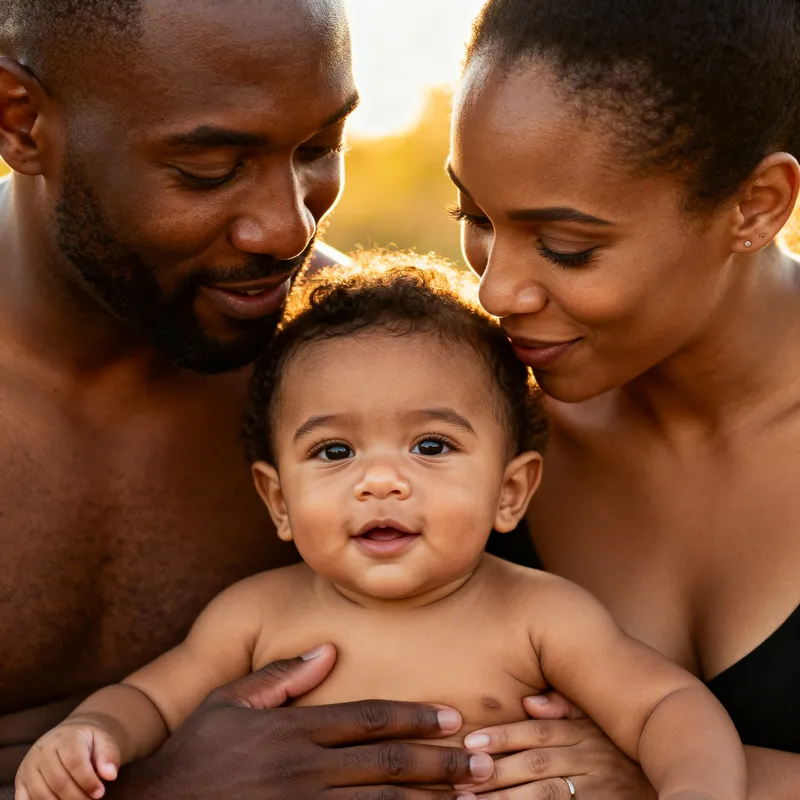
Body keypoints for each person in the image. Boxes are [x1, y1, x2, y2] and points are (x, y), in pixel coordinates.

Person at [16, 258, 747, 800]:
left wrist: (692, 789)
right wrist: (90, 737)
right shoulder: (255, 617)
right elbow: (146, 701)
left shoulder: (539, 617)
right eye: (335, 452)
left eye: (431, 445)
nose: (381, 481)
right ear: (278, 500)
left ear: (510, 492)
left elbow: (667, 708)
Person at [0, 0, 495, 797]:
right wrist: (160, 791)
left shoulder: (359, 361)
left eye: (319, 149)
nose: (288, 230)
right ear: (20, 121)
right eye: (211, 169)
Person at [443, 0, 800, 797]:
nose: (496, 291)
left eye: (566, 247)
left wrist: (657, 771)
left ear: (757, 204)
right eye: (474, 216)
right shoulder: (477, 423)